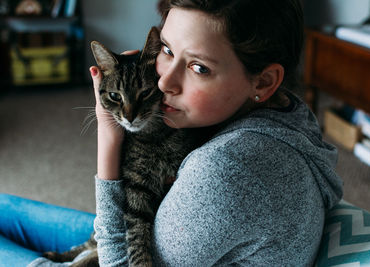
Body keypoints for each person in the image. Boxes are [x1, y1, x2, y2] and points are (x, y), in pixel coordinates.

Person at [0, 0, 343, 266]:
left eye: (198, 67)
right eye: (166, 49)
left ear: (264, 81)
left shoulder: (223, 174)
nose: (163, 81)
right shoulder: (288, 110)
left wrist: (108, 138)